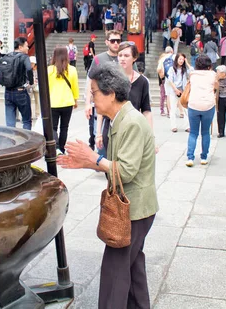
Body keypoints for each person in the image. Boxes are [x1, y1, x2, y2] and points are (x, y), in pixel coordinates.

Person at [57, 62, 158, 309]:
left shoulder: (131, 122)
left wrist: (94, 158)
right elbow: (115, 164)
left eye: (93, 93)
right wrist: (87, 163)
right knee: (132, 267)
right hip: (135, 208)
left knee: (115, 271)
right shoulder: (119, 119)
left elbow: (125, 171)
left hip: (134, 210)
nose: (91, 99)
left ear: (111, 93)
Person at [97, 42, 153, 148]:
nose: (122, 58)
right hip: (111, 130)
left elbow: (146, 110)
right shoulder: (109, 78)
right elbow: (101, 107)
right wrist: (98, 134)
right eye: (120, 55)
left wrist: (150, 136)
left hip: (133, 130)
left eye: (126, 56)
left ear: (134, 58)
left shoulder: (142, 82)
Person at [84, 30, 121, 152]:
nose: (116, 43)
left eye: (118, 41)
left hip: (120, 103)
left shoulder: (125, 57)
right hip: (102, 102)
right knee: (100, 137)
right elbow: (91, 81)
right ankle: (104, 164)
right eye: (112, 41)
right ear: (106, 42)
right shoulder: (99, 59)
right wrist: (88, 103)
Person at [0, 37, 33, 130]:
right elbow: (29, 68)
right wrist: (30, 82)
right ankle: (26, 143)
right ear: (20, 47)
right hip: (21, 92)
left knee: (10, 123)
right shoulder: (24, 57)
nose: (28, 48)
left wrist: (4, 78)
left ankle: (11, 141)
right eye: (26, 46)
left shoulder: (7, 56)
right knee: (26, 120)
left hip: (8, 92)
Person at [185, 55, 217, 167]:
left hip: (193, 104)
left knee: (193, 133)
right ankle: (204, 157)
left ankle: (190, 157)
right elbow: (216, 86)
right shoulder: (213, 74)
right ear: (209, 65)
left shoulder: (192, 75)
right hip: (208, 105)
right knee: (205, 132)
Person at [48, 47, 79, 153]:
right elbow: (75, 86)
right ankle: (61, 148)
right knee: (64, 127)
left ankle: (55, 148)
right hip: (67, 102)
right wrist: (75, 99)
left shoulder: (49, 70)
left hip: (52, 103)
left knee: (53, 127)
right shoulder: (72, 70)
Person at [167, 53, 190, 133]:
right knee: (173, 109)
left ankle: (187, 126)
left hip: (183, 91)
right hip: (174, 91)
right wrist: (176, 90)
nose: (181, 61)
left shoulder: (185, 69)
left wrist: (187, 63)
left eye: (183, 60)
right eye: (180, 59)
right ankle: (173, 126)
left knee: (185, 110)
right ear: (176, 59)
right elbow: (170, 80)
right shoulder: (172, 69)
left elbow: (192, 71)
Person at [156, 50, 169, 116]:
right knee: (163, 96)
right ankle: (162, 110)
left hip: (166, 81)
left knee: (167, 96)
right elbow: (160, 76)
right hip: (163, 82)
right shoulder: (160, 67)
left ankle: (168, 110)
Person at [29, 56, 40, 121]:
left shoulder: (38, 69)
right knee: (28, 102)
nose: (31, 64)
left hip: (37, 86)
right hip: (30, 86)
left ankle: (37, 114)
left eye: (32, 63)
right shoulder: (28, 69)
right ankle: (29, 115)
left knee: (37, 101)